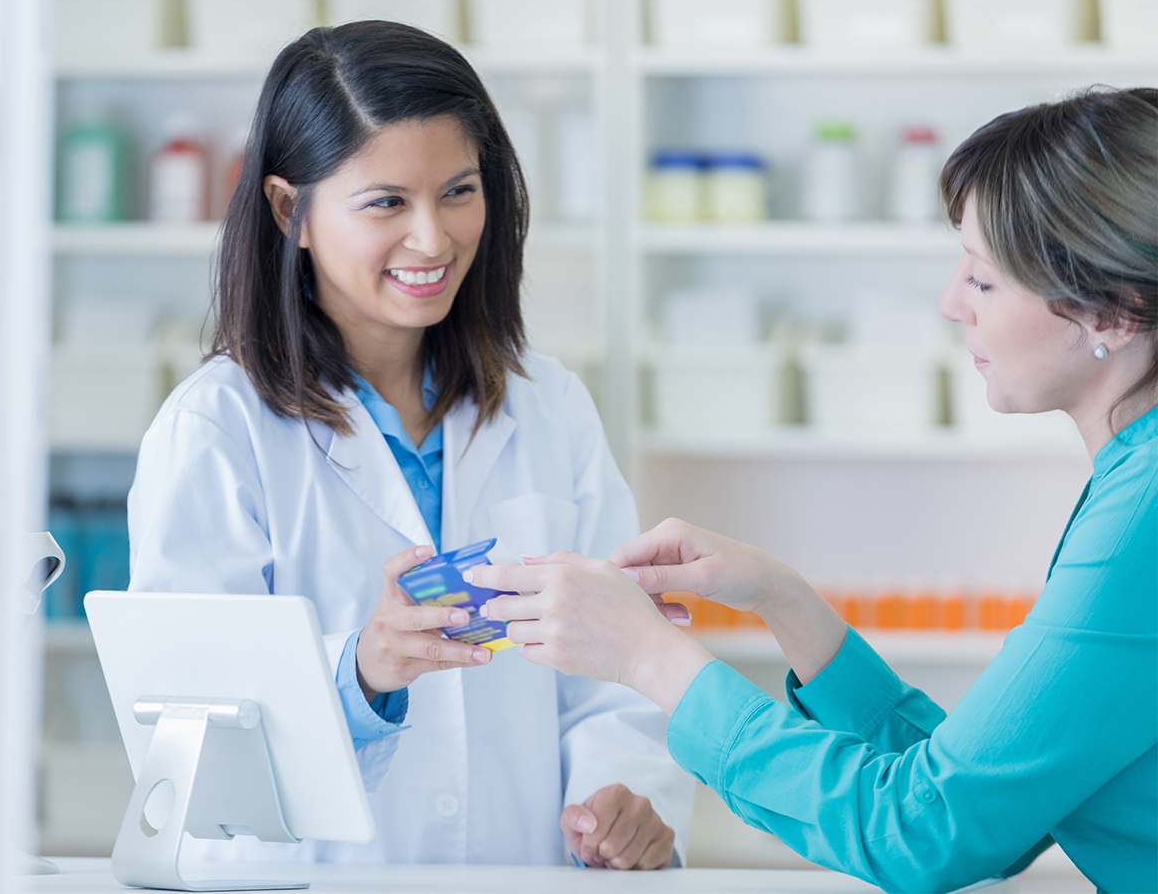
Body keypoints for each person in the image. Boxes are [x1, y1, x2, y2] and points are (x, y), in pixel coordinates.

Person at [471, 88, 1158, 892]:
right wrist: (783, 598)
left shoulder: (1141, 515)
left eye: (983, 280)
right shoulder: (1132, 479)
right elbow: (987, 814)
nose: (950, 303)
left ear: (1115, 311)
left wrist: (650, 658)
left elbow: (923, 832)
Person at [127, 21, 692, 868]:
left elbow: (615, 674)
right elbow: (187, 735)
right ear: (293, 211)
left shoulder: (548, 407)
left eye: (459, 191)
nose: (433, 239)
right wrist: (359, 673)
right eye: (386, 202)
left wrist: (623, 796)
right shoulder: (216, 430)